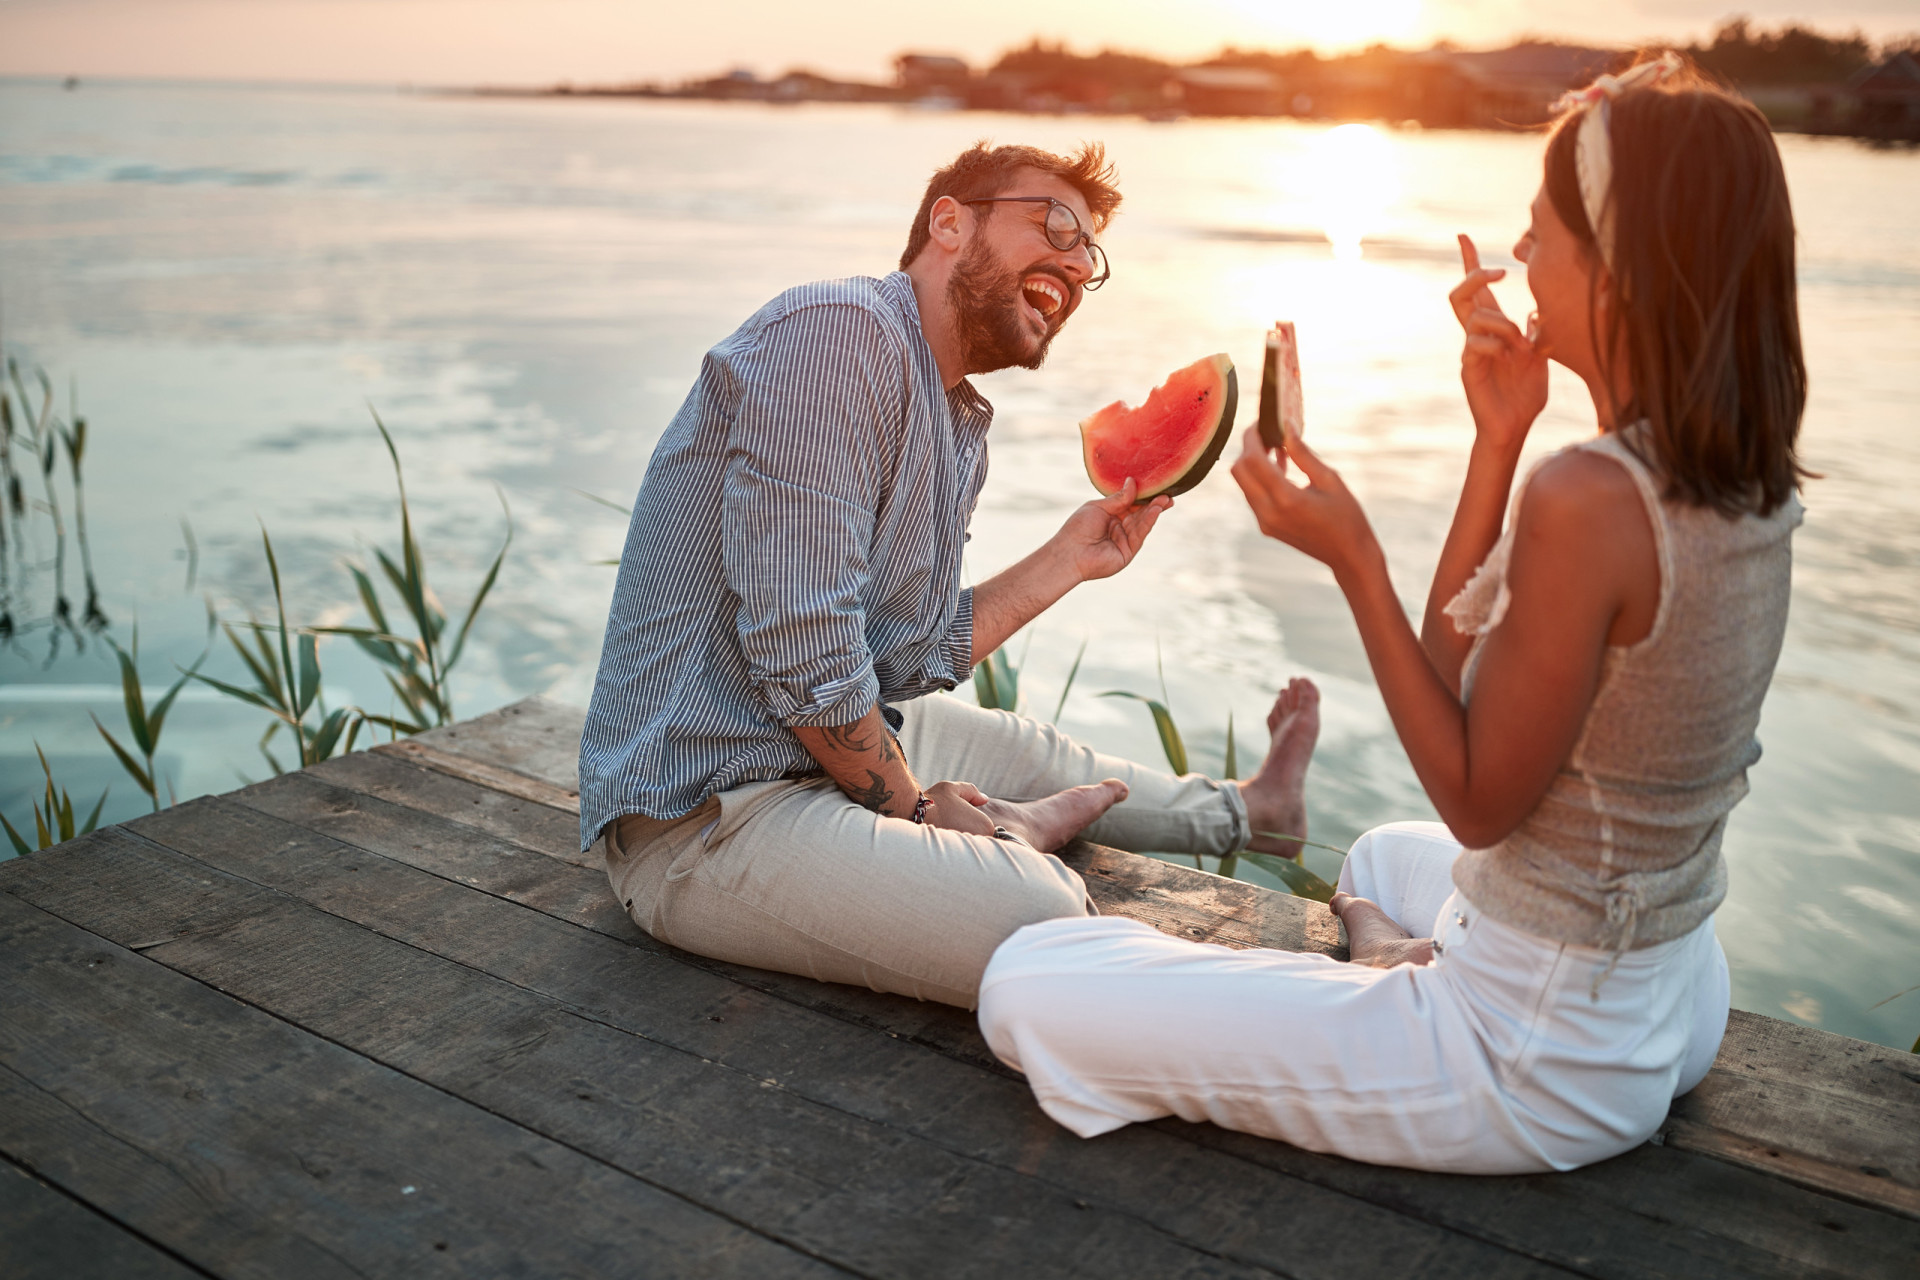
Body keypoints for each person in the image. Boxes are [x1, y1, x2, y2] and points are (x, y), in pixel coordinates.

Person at [978, 57, 1808, 1173]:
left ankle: (1382, 981)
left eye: (1544, 232)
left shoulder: (1594, 496)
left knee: (1025, 986)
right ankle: (1385, 947)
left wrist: (1355, 561)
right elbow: (1458, 681)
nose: (1521, 260)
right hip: (1667, 986)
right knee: (1371, 854)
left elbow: (1472, 800)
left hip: (1530, 1058)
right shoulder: (1735, 477)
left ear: (1620, 269)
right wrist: (1498, 439)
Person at [579, 142, 1321, 1010]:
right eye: (1054, 224)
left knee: (1025, 749)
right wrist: (921, 812)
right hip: (705, 819)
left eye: (1091, 255)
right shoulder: (841, 332)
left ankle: (1253, 810)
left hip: (800, 758)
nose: (1079, 264)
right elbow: (802, 647)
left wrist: (1068, 561)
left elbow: (910, 654)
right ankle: (1304, 992)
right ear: (949, 221)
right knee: (1037, 917)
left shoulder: (952, 413)